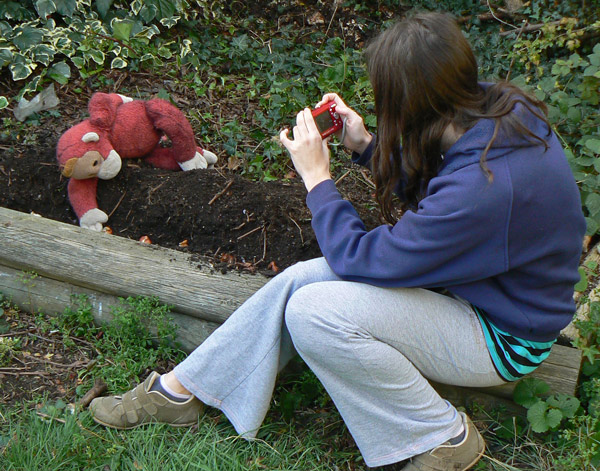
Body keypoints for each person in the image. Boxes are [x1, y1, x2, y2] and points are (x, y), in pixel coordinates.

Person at [89, 11, 586, 471]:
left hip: (504, 336)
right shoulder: (495, 110)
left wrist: (317, 180)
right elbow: (441, 198)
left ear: (410, 103)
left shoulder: (486, 188)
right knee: (302, 280)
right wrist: (366, 146)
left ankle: (443, 437)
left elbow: (358, 258)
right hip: (478, 287)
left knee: (315, 313)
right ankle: (180, 393)